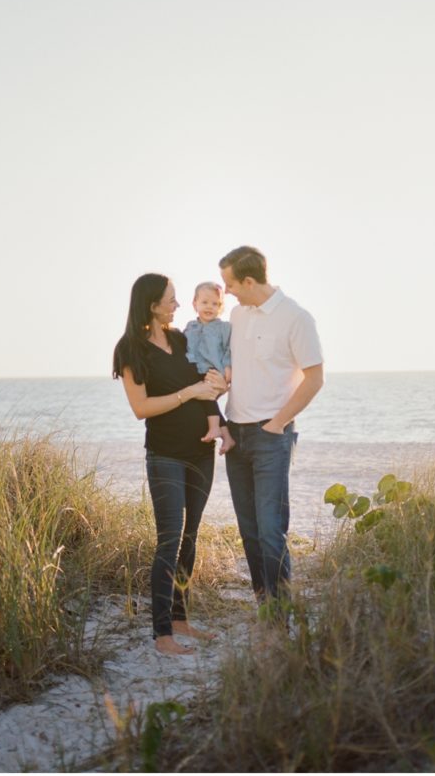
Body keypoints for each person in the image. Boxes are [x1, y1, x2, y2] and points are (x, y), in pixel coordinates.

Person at [112, 273, 227, 656]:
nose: (177, 305)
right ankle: (162, 634)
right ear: (151, 304)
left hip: (200, 451)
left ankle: (180, 619)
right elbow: (141, 408)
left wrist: (218, 409)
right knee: (169, 539)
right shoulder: (130, 350)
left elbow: (206, 382)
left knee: (191, 537)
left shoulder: (182, 339)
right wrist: (189, 393)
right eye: (171, 299)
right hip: (164, 454)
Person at [218, 246, 324, 613]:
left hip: (270, 437)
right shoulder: (236, 314)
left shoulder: (296, 318)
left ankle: (279, 617)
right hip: (235, 435)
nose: (226, 291)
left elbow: (314, 378)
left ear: (249, 280)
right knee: (249, 531)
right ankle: (263, 604)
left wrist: (277, 423)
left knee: (270, 531)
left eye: (230, 283)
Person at [183, 281, 235, 454]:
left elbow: (230, 348)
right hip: (193, 371)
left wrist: (228, 366)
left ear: (220, 307)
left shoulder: (223, 328)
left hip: (212, 371)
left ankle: (214, 428)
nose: (209, 307)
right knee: (206, 402)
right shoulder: (190, 327)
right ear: (194, 303)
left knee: (207, 399)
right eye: (205, 302)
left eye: (215, 304)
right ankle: (227, 437)